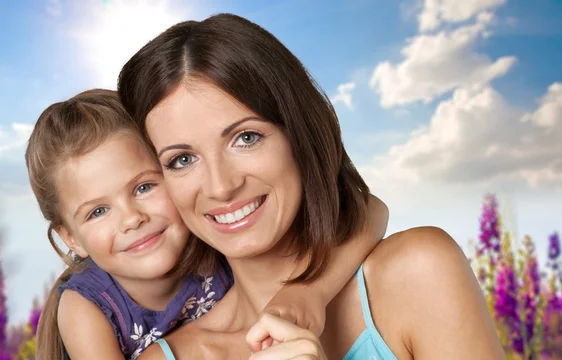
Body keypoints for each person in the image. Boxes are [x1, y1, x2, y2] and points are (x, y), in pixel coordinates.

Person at [117, 13, 505, 359]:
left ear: (299, 134)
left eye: (246, 138)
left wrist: (310, 293)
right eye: (182, 160)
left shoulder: (418, 274)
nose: (221, 187)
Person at [26, 89, 389, 359]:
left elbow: (369, 209)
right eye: (98, 212)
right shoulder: (85, 307)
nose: (132, 218)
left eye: (144, 187)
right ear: (71, 238)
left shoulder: (215, 233)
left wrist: (311, 291)